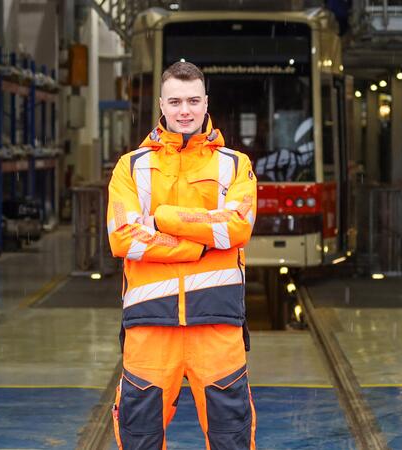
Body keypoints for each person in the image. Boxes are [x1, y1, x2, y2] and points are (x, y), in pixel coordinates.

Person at [107, 61, 257, 449]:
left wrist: (164, 218)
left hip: (217, 326)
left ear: (207, 103)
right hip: (150, 327)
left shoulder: (235, 165)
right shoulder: (131, 167)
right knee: (138, 440)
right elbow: (123, 238)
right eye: (175, 101)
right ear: (161, 104)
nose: (184, 110)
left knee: (232, 440)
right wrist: (199, 243)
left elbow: (236, 228)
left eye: (193, 100)